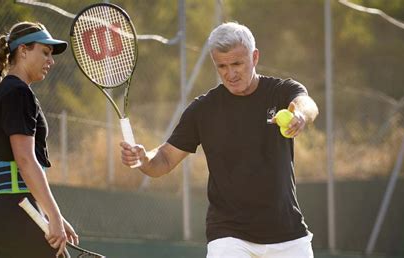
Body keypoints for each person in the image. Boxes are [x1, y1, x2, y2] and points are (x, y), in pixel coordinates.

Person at [120, 22, 319, 258]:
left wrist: (300, 116)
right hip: (229, 236)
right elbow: (163, 160)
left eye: (237, 63)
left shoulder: (280, 91)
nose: (230, 73)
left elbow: (307, 104)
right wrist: (143, 158)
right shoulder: (203, 110)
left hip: (288, 234)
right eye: (221, 66)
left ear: (254, 57)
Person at [0, 21, 78, 258]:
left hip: (7, 214)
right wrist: (53, 217)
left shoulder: (7, 90)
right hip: (19, 216)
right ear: (23, 51)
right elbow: (25, 160)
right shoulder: (18, 92)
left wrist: (53, 214)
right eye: (45, 52)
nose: (51, 61)